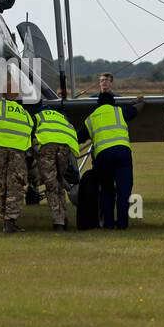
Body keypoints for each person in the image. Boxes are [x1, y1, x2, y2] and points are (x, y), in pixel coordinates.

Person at [84, 91, 144, 230]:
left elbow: (80, 136)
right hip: (123, 153)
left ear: (98, 104)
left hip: (103, 156)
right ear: (113, 102)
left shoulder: (91, 118)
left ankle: (108, 224)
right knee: (124, 191)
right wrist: (140, 101)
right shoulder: (119, 112)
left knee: (107, 190)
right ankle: (122, 224)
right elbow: (136, 109)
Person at [0, 81, 35, 233]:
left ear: (3, 93)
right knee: (15, 187)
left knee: (3, 185)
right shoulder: (25, 113)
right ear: (17, 94)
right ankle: (10, 221)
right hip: (18, 153)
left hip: (0, 151)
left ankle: (4, 218)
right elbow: (31, 131)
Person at [34, 105, 79, 231]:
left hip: (48, 146)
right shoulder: (61, 117)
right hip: (65, 148)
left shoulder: (39, 116)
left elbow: (32, 134)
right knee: (60, 182)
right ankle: (64, 218)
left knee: (51, 186)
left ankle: (58, 221)